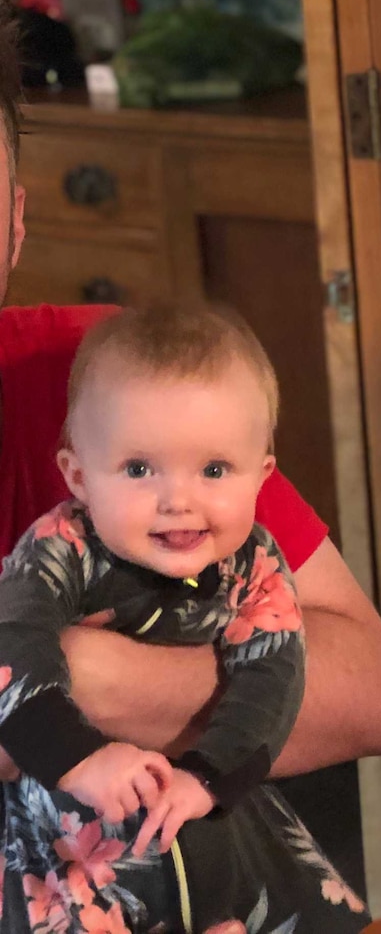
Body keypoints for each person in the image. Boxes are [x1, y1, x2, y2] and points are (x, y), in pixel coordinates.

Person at [0, 8, 381, 922]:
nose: (174, 495)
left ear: (17, 217)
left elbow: (374, 690)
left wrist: (91, 677)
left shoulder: (113, 389)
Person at [0, 301, 352, 931]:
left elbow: (273, 673)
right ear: (78, 476)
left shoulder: (255, 563)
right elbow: (13, 646)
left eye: (214, 470)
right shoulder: (59, 550)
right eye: (139, 469)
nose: (178, 501)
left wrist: (210, 777)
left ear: (260, 478)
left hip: (212, 815)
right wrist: (80, 759)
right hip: (72, 851)